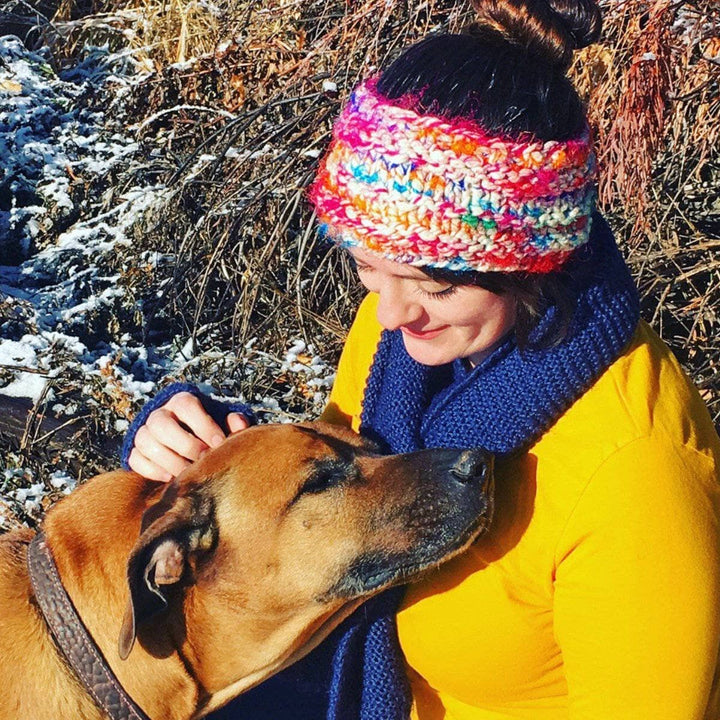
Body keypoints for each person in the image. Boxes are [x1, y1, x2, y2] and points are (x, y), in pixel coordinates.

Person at [121, 1, 720, 718]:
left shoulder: (634, 475)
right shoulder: (410, 345)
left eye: (436, 282)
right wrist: (205, 449)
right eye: (368, 265)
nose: (393, 312)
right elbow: (338, 488)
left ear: (534, 265)